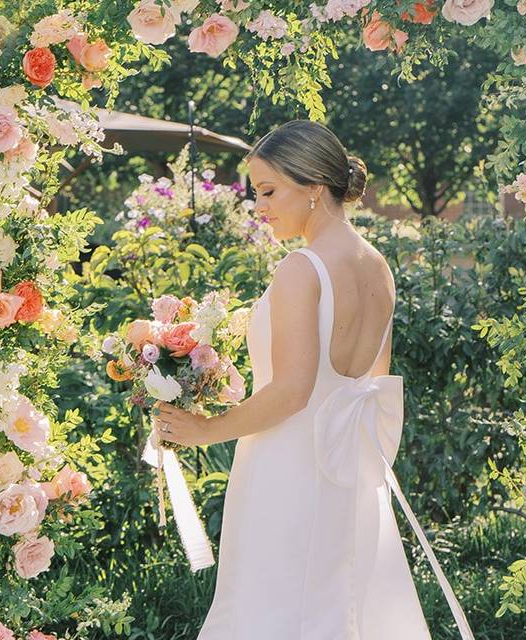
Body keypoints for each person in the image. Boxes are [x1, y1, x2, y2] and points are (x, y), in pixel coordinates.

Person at [153, 120, 473, 640]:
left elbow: (291, 392)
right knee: (337, 609)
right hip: (346, 474)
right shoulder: (377, 267)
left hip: (285, 468)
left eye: (269, 191)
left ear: (314, 188)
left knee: (271, 610)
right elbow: (373, 381)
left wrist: (203, 429)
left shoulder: (301, 268)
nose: (259, 206)